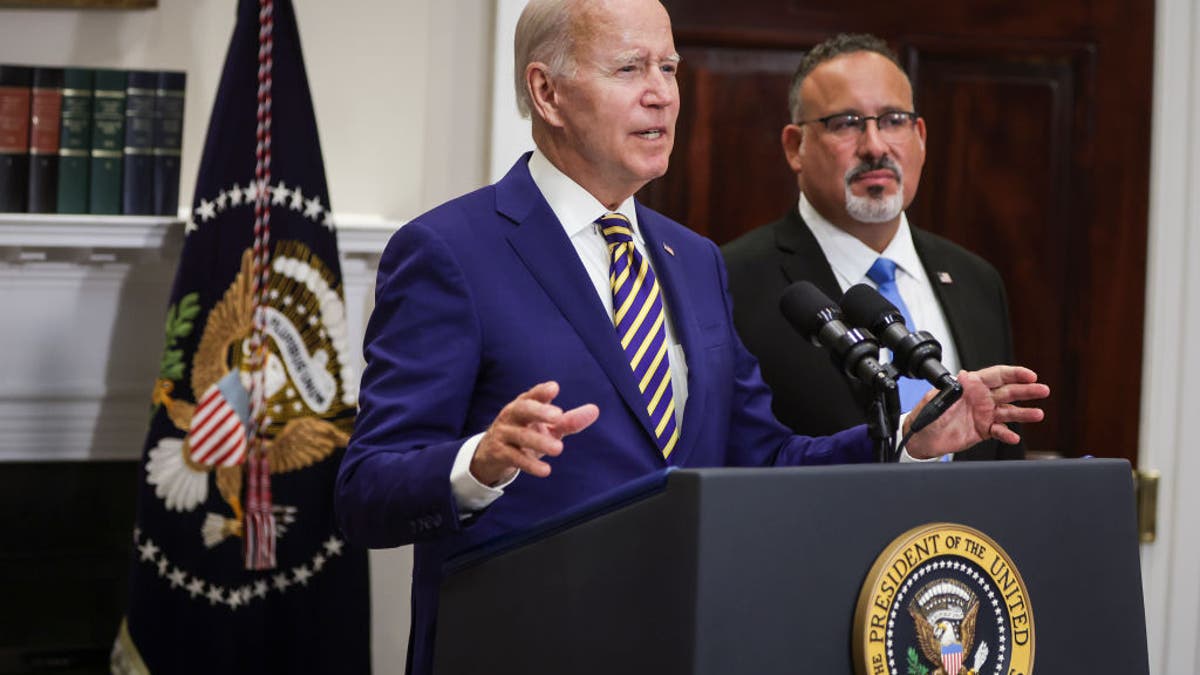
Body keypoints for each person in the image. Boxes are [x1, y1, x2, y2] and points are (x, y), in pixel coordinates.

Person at [335, 5, 1048, 674]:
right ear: (546, 93)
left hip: (683, 643)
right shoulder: (450, 251)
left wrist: (901, 436)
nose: (663, 96)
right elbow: (366, 487)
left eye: (669, 69)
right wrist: (478, 463)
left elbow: (760, 456)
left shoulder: (693, 259)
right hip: (521, 645)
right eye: (630, 70)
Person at [723, 33, 1024, 460]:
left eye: (893, 120)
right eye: (845, 123)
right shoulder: (733, 281)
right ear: (795, 147)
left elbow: (1000, 453)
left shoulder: (976, 280)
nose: (875, 147)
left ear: (919, 136)